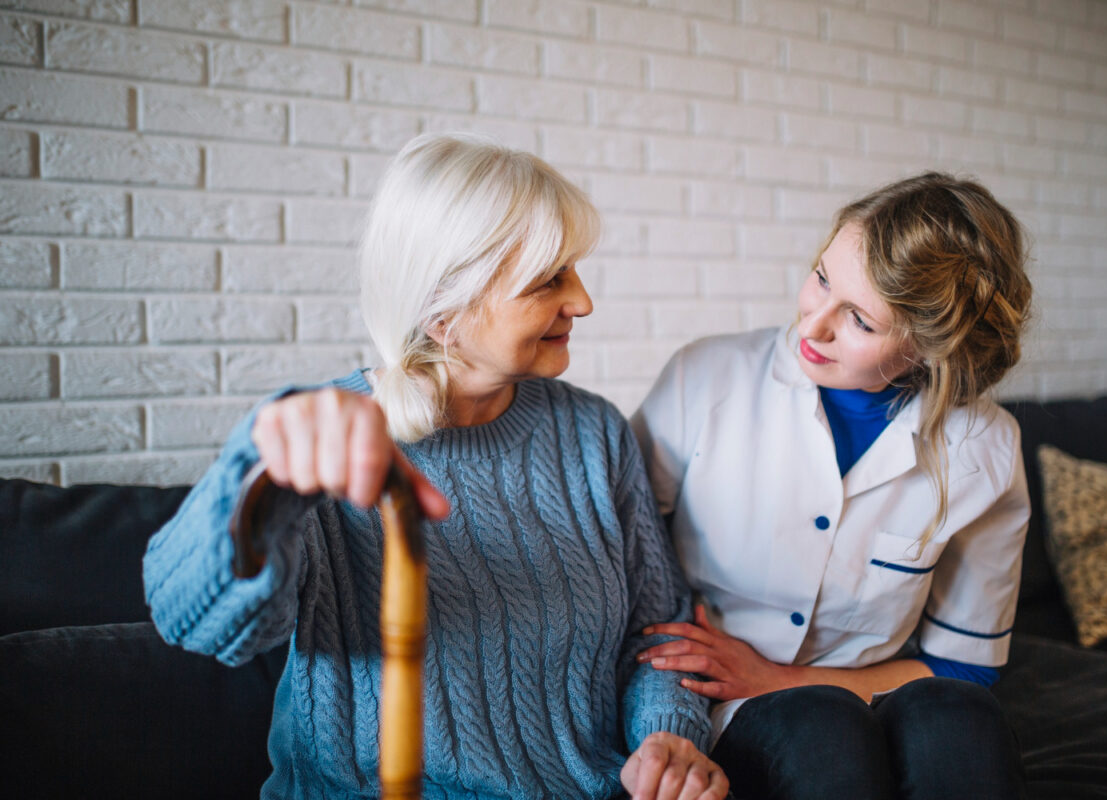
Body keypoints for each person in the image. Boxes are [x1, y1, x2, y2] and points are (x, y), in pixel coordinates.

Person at [144, 133, 728, 800]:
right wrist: (263, 473)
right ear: (443, 314)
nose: (583, 302)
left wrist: (667, 738)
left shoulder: (594, 433)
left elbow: (657, 637)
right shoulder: (330, 443)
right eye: (549, 281)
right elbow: (191, 624)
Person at [631, 172, 1034, 800]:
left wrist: (773, 675)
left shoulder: (985, 448)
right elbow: (622, 561)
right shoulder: (702, 379)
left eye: (859, 320)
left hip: (882, 690)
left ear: (930, 348)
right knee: (822, 726)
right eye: (821, 278)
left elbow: (963, 664)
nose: (811, 326)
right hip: (737, 711)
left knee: (962, 717)